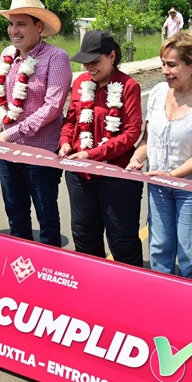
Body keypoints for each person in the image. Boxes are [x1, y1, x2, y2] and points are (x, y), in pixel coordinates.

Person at [0, 0, 72, 247]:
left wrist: (11, 133)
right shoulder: (7, 55)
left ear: (38, 27)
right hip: (8, 153)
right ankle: (20, 263)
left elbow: (52, 107)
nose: (13, 31)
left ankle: (49, 264)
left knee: (46, 216)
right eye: (11, 24)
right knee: (15, 214)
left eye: (21, 24)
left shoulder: (56, 57)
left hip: (40, 154)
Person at [128, 30, 192, 281]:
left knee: (190, 255)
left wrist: (171, 175)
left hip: (190, 190)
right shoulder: (158, 92)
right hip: (158, 186)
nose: (164, 71)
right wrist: (137, 159)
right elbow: (147, 140)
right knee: (159, 249)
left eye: (172, 65)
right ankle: (161, 299)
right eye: (163, 64)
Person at [59, 30, 144, 266]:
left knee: (122, 242)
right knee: (84, 237)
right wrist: (65, 142)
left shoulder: (129, 86)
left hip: (116, 175)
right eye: (85, 62)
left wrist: (92, 154)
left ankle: (128, 285)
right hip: (80, 174)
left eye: (95, 61)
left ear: (112, 56)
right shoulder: (80, 83)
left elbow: (131, 133)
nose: (89, 67)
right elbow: (71, 120)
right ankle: (91, 284)